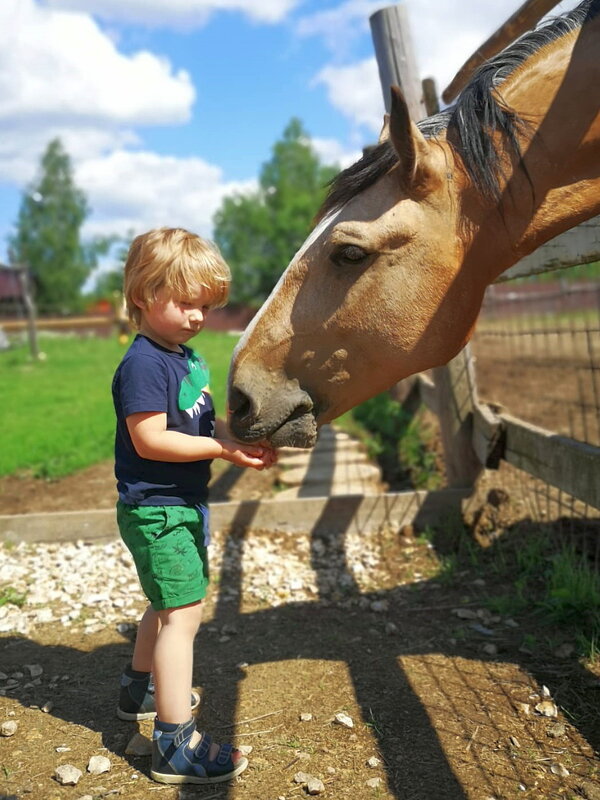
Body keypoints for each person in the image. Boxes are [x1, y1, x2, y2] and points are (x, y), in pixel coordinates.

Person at [111, 227, 276, 785]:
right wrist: (219, 448)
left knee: (165, 603)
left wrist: (233, 438)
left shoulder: (185, 359)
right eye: (184, 302)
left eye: (205, 305)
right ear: (142, 294)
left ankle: (141, 690)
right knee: (183, 615)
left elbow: (198, 424)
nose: (197, 315)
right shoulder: (143, 365)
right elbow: (150, 439)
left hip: (181, 505)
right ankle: (175, 743)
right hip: (158, 510)